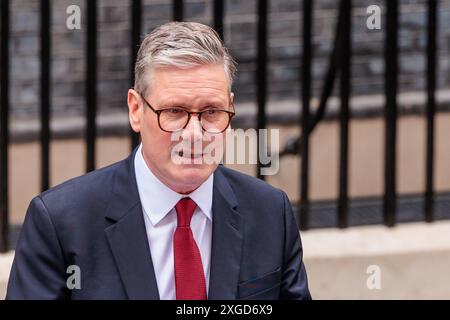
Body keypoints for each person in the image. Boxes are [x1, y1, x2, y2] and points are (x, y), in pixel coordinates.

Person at [7, 22, 311, 300]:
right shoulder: (61, 222)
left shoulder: (271, 212)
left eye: (211, 112)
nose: (194, 134)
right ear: (136, 110)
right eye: (174, 112)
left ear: (230, 108)